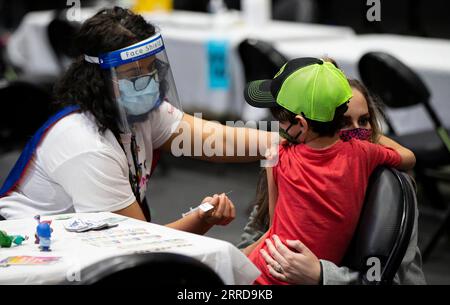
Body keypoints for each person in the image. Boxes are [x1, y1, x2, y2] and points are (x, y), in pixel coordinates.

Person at [0, 7, 275, 237]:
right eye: (133, 74)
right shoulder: (86, 145)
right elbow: (139, 245)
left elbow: (219, 141)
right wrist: (201, 219)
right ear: (98, 80)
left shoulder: (137, 112)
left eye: (152, 68)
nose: (147, 82)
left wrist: (289, 141)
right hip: (31, 252)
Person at [241, 57, 416, 285]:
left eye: (364, 121)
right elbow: (265, 232)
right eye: (344, 123)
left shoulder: (282, 154)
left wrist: (321, 275)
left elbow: (392, 279)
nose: (355, 132)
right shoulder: (362, 154)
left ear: (301, 124)